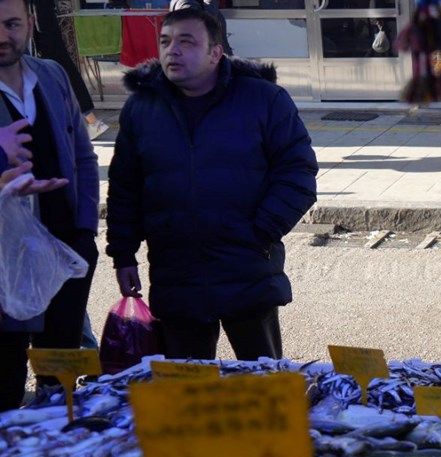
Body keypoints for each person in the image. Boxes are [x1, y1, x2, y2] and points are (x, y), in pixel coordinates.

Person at [105, 7, 317, 362]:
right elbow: (125, 187)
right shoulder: (142, 109)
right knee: (188, 391)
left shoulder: (262, 100)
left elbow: (297, 173)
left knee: (262, 385)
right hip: (176, 274)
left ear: (215, 52)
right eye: (166, 41)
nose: (172, 51)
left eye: (186, 42)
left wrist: (260, 232)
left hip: (247, 268)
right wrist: (123, 254)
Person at [0, 0, 99, 411]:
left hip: (65, 250)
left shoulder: (52, 74)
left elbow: (83, 156)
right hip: (5, 263)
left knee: (59, 383)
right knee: (4, 384)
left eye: (11, 23)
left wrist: (85, 231)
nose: (2, 36)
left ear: (32, 22)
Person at [30, 0, 107, 139]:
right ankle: (90, 121)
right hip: (44, 29)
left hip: (45, 31)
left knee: (61, 73)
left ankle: (92, 121)